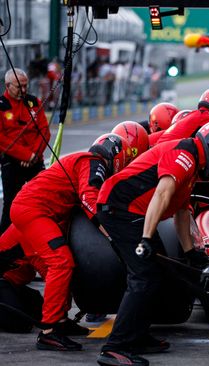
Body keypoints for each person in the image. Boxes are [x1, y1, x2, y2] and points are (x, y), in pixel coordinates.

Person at [95, 121, 209, 366]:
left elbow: (181, 211)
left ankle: (138, 336)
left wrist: (191, 253)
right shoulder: (185, 155)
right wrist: (145, 239)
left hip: (134, 213)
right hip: (120, 209)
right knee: (143, 276)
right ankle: (115, 347)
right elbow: (163, 194)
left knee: (159, 272)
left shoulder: (194, 163)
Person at [9, 134, 130, 351]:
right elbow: (90, 200)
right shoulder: (94, 163)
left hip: (32, 210)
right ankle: (49, 331)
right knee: (61, 262)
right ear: (116, 157)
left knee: (56, 267)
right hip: (33, 211)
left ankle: (61, 321)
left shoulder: (84, 161)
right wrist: (114, 236)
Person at [0, 68, 51, 234]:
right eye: (19, 87)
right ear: (8, 86)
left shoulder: (33, 102)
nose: (23, 90)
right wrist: (25, 155)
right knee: (11, 206)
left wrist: (33, 155)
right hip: (12, 162)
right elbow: (2, 139)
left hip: (35, 161)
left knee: (45, 200)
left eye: (25, 86)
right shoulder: (2, 106)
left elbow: (44, 130)